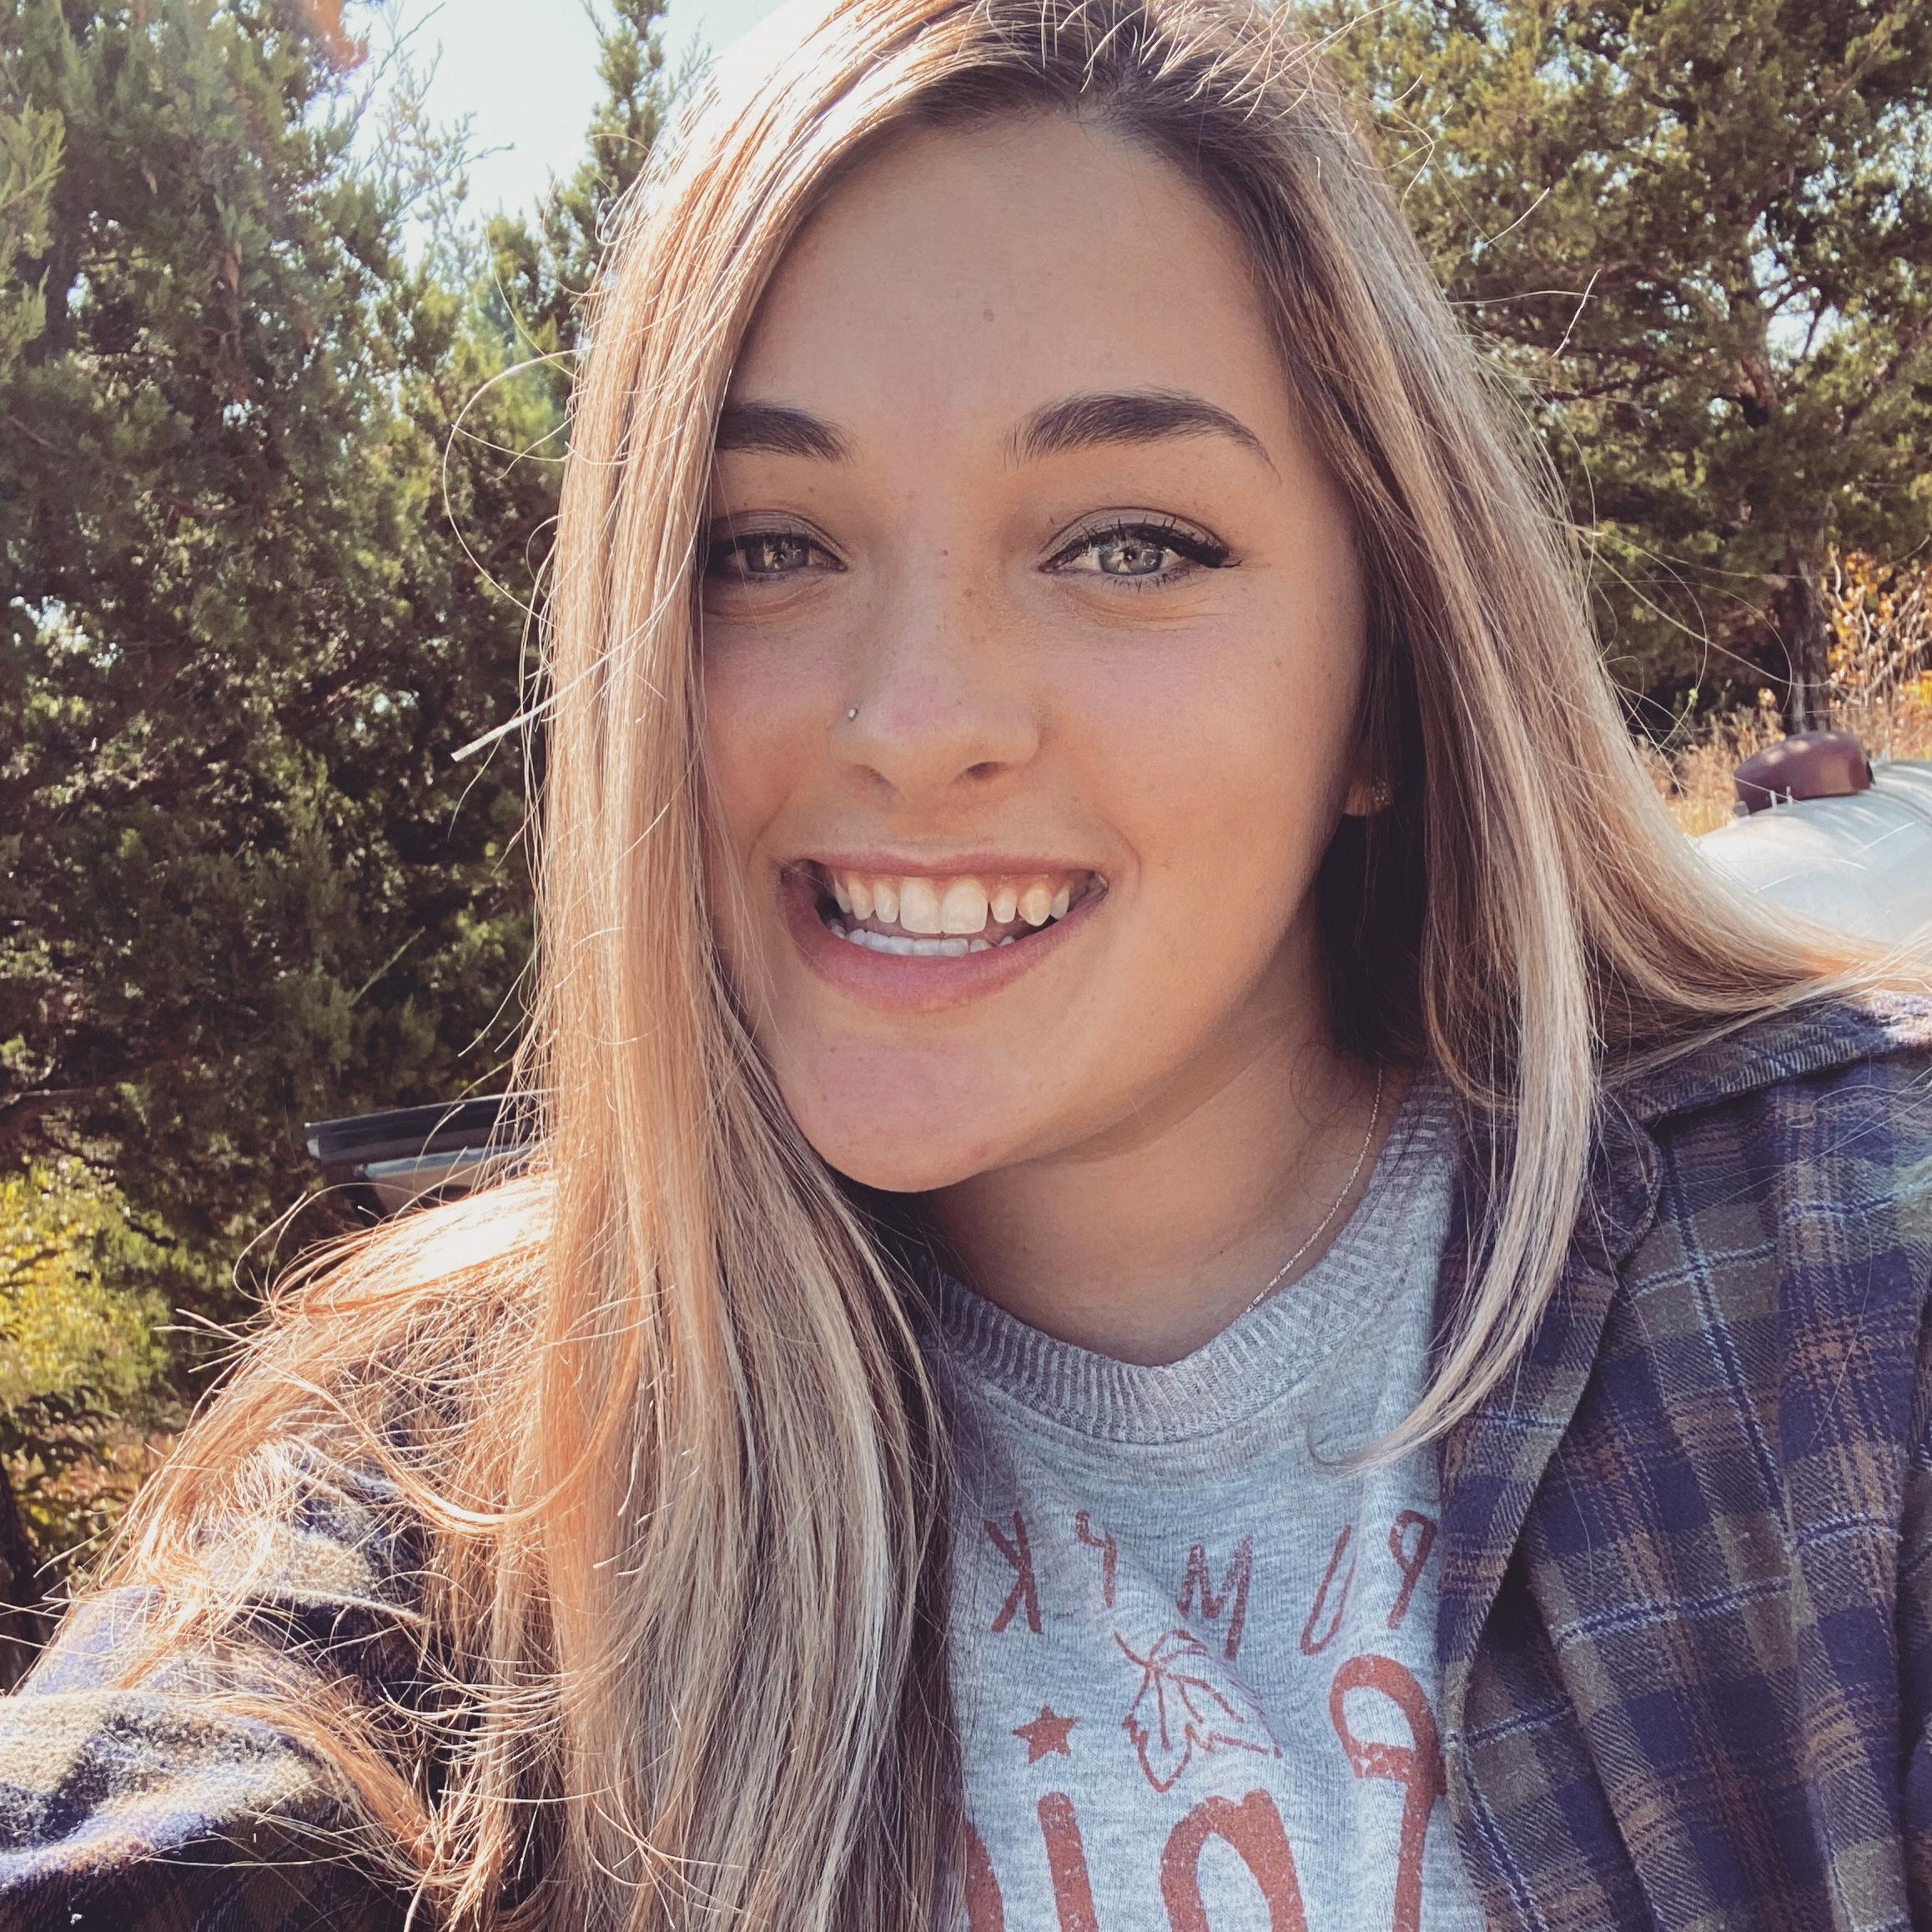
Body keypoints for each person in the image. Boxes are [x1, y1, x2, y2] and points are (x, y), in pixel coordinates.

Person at [4, 0, 1930, 1924]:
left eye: (1128, 543)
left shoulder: (1854, 1275)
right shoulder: (442, 1472)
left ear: (1386, 670)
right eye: (766, 546)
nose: (915, 722)